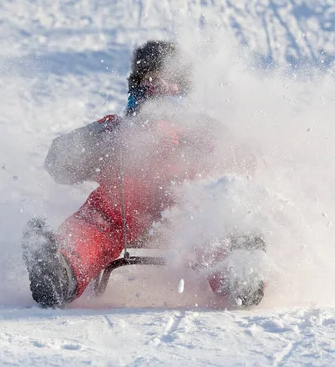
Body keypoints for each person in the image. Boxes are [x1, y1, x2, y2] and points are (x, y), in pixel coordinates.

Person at [22, 40, 265, 308]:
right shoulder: (114, 129)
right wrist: (89, 150)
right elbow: (59, 161)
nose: (157, 88)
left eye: (168, 82)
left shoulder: (201, 130)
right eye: (149, 80)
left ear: (182, 88)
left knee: (212, 229)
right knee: (93, 223)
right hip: (121, 216)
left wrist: (214, 156)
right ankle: (58, 270)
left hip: (187, 216)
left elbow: (244, 162)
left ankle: (239, 273)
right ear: (136, 87)